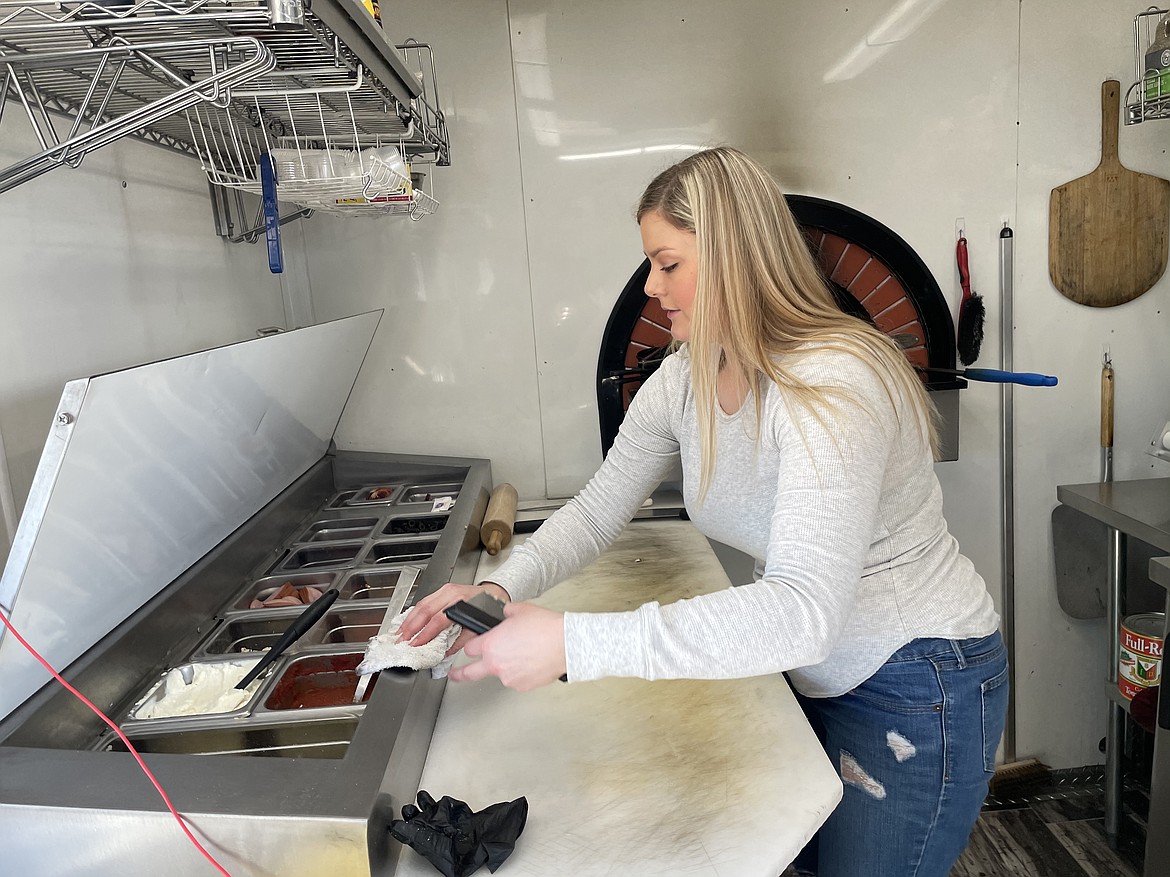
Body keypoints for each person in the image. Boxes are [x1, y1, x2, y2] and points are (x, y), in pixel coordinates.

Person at [397, 146, 1007, 877]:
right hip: (817, 674)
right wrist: (499, 591)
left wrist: (573, 644)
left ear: (735, 257)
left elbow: (802, 610)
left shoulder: (834, 383)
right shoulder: (687, 376)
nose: (651, 286)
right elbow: (597, 511)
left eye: (668, 262)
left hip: (917, 683)